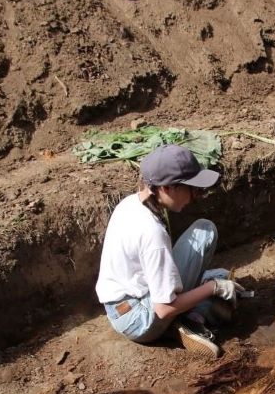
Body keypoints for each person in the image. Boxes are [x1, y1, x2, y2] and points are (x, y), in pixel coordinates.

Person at [95, 144, 245, 358]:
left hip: (124, 304)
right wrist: (213, 287)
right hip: (138, 320)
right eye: (191, 188)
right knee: (216, 291)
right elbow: (163, 308)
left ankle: (188, 316)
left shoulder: (131, 203)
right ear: (167, 188)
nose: (196, 195)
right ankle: (189, 321)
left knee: (204, 230)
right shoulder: (152, 233)